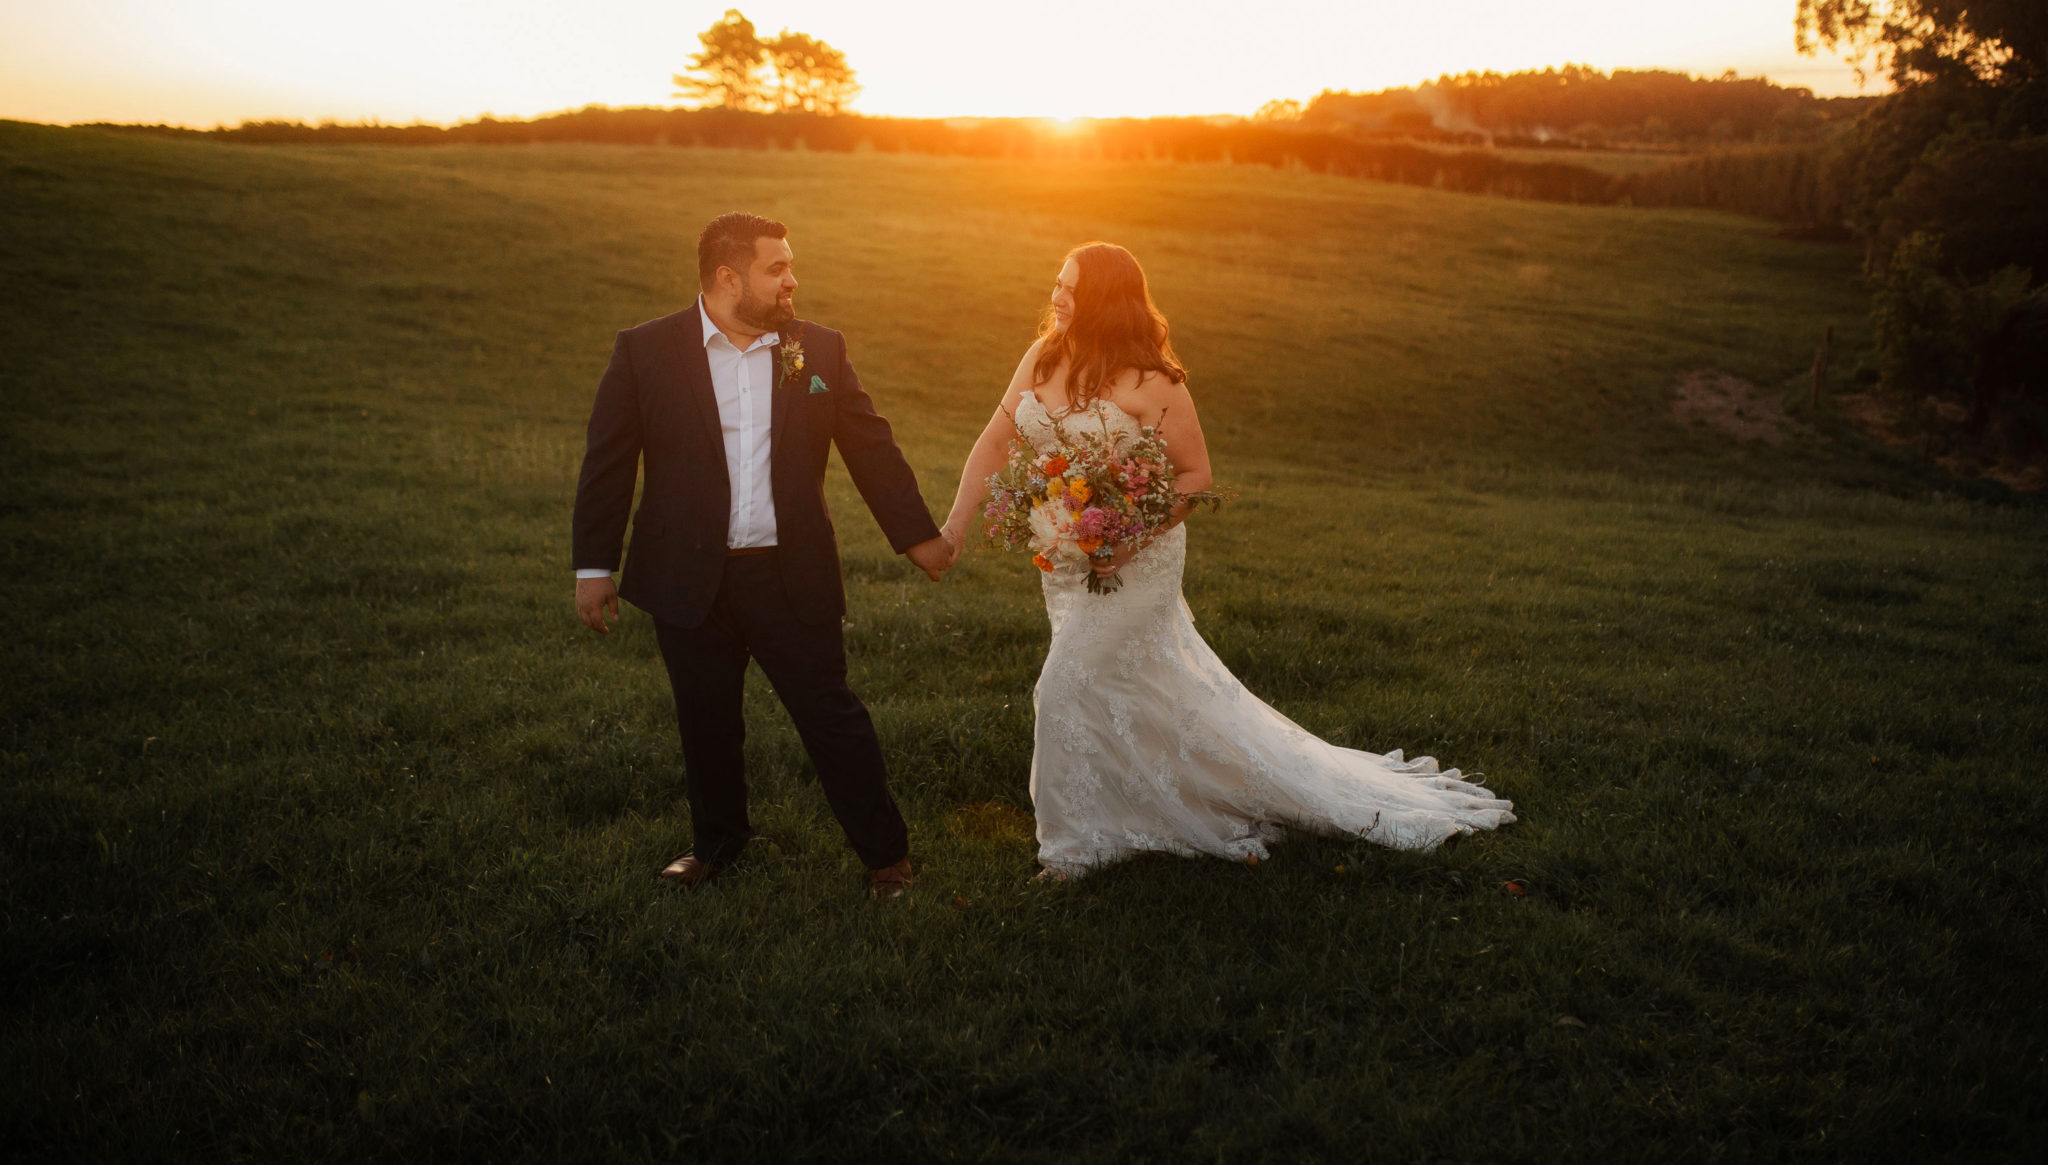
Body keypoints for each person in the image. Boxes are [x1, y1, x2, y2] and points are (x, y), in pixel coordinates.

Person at [938, 243, 1515, 878]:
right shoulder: (1045, 356)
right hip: (1072, 562)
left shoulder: (1151, 379)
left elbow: (1194, 475)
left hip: (1139, 561)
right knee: (1119, 686)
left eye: (1072, 289)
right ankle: (1138, 806)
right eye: (1056, 283)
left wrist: (1127, 537)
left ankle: (1073, 851)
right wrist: (955, 527)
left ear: (1106, 300)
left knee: (1064, 685)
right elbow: (995, 441)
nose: (1057, 297)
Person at [572, 212, 955, 898]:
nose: (792, 279)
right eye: (776, 267)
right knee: (706, 721)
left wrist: (918, 536)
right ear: (728, 277)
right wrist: (594, 568)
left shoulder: (819, 350)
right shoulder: (647, 350)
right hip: (689, 575)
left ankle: (886, 859)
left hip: (790, 572)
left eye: (790, 266)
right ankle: (716, 845)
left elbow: (871, 445)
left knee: (831, 716)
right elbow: (608, 462)